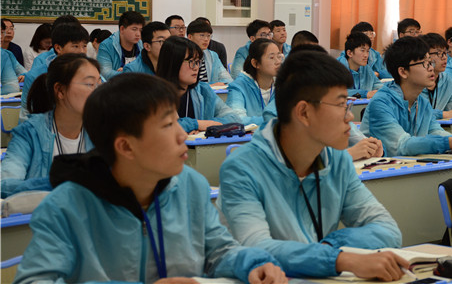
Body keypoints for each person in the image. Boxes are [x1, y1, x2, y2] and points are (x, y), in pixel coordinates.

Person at [13, 73, 286, 283]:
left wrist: (253, 264)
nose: (182, 135)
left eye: (178, 122)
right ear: (126, 146)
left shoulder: (190, 185)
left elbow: (219, 251)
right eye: (168, 125)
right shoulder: (66, 206)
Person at [219, 50, 408, 280]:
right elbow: (258, 248)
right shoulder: (242, 168)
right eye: (341, 105)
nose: (350, 117)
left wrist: (327, 248)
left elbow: (387, 230)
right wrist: (339, 259)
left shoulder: (336, 160)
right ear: (304, 112)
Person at [361, 36, 452, 156]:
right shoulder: (381, 103)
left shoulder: (421, 103)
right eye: (424, 63)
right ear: (403, 72)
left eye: (430, 62)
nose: (430, 68)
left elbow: (436, 131)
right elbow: (402, 145)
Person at [261, 43, 384, 161]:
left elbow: (357, 138)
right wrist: (348, 154)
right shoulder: (274, 115)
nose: (349, 116)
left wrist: (372, 147)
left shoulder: (329, 106)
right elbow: (296, 160)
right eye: (340, 104)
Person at [1, 54, 100, 198]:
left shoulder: (102, 131)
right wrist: (58, 182)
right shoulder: (30, 132)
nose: (98, 91)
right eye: (90, 84)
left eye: (100, 83)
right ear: (60, 90)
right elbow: (5, 184)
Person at [156, 36, 243, 133]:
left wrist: (205, 126)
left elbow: (233, 118)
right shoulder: (155, 95)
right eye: (191, 62)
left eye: (197, 62)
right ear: (172, 63)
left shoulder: (203, 90)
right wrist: (196, 124)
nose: (196, 67)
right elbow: (162, 125)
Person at [20, 23, 90, 122]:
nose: (82, 51)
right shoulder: (35, 75)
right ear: (58, 48)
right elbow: (26, 115)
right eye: (75, 46)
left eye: (84, 46)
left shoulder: (91, 73)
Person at [227, 39, 282, 125]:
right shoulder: (238, 87)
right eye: (271, 58)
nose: (278, 62)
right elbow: (237, 120)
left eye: (279, 56)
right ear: (255, 63)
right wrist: (273, 120)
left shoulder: (283, 85)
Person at [97, 11, 145, 79]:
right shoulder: (106, 46)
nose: (138, 34)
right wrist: (128, 73)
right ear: (122, 29)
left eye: (140, 30)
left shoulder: (141, 45)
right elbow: (105, 73)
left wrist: (125, 72)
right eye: (134, 29)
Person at [337, 32, 382, 99]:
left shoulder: (366, 68)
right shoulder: (337, 69)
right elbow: (337, 91)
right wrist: (365, 94)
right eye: (362, 50)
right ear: (350, 53)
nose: (366, 55)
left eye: (367, 51)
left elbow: (378, 85)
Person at [186, 20, 232, 85]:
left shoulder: (212, 56)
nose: (206, 39)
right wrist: (209, 86)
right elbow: (186, 84)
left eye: (208, 36)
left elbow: (228, 79)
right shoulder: (184, 56)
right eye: (202, 35)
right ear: (190, 37)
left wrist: (212, 86)